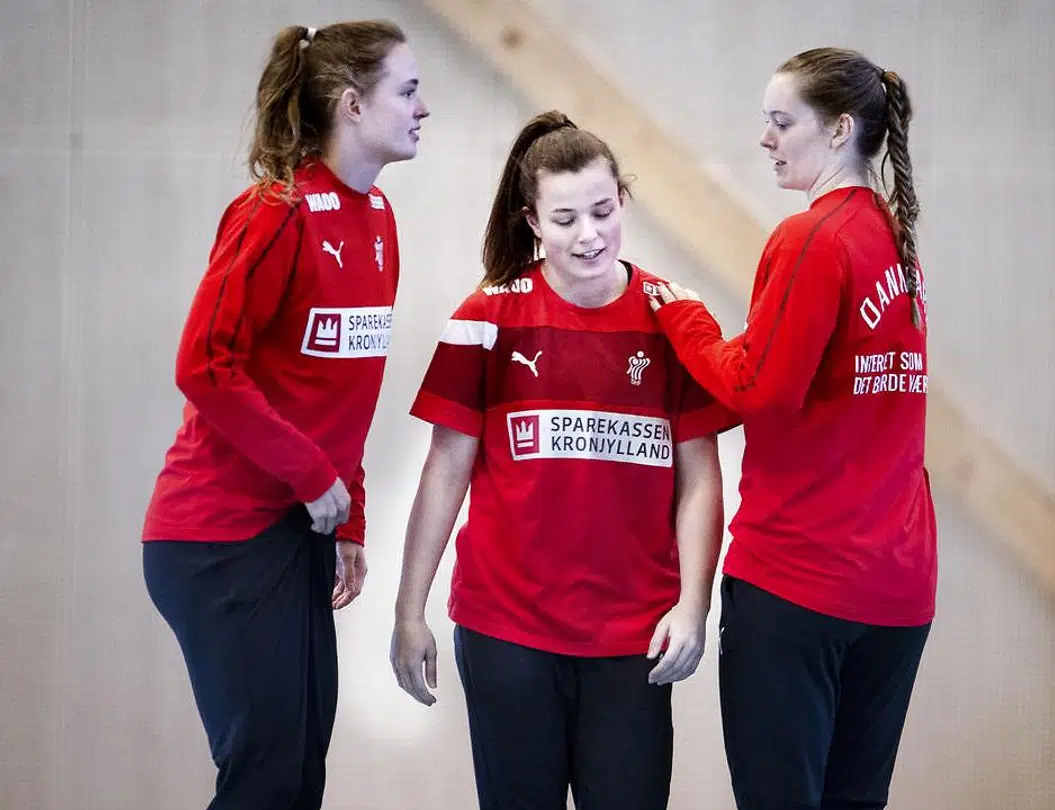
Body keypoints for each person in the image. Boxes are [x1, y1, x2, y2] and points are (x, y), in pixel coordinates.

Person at [389, 110, 733, 810]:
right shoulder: (485, 317)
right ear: (533, 222)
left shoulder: (675, 317)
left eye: (603, 211)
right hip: (506, 631)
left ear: (623, 204)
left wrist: (694, 605)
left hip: (633, 638)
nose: (589, 235)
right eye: (567, 218)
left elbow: (700, 478)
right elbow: (444, 471)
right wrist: (408, 611)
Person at [140, 20, 428, 810]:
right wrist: (311, 478)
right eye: (408, 91)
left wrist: (352, 520)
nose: (423, 107)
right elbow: (203, 365)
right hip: (218, 539)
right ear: (352, 105)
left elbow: (344, 395)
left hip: (298, 533)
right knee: (266, 775)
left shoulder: (378, 223)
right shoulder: (275, 212)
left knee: (299, 774)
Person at [648, 47, 936, 810]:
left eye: (781, 123)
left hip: (804, 583)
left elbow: (758, 391)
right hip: (897, 587)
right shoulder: (893, 241)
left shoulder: (813, 239)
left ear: (840, 129)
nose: (765, 140)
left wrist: (682, 317)